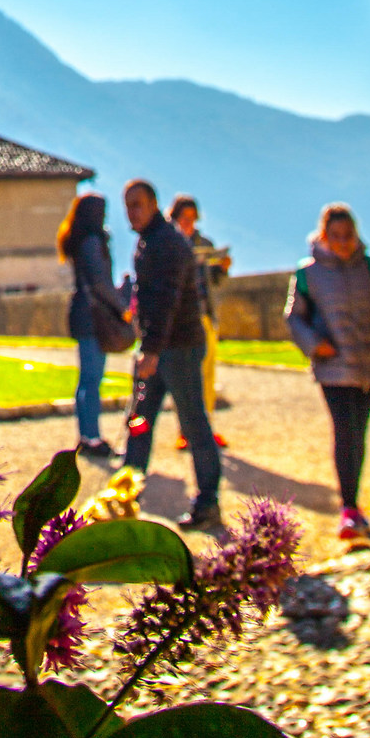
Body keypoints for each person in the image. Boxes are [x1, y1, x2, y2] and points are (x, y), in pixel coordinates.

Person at [286, 203, 370, 544]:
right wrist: (314, 344)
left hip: (369, 363)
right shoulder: (307, 274)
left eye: (347, 236)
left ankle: (354, 502)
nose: (342, 243)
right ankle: (350, 507)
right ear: (325, 236)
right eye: (335, 237)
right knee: (346, 430)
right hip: (333, 367)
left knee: (359, 431)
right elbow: (294, 317)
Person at [121, 177, 222, 530]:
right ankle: (124, 496)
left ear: (152, 205)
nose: (131, 212)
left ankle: (208, 502)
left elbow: (166, 301)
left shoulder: (167, 244)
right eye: (127, 206)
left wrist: (150, 350)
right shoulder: (150, 242)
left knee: (194, 424)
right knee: (138, 422)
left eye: (137, 204)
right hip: (160, 347)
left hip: (178, 349)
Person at [56, 190, 132, 461]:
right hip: (92, 317)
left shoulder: (78, 241)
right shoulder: (91, 242)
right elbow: (100, 283)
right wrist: (123, 307)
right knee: (92, 378)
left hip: (82, 313)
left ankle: (86, 434)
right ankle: (91, 436)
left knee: (86, 380)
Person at [168, 194, 231, 447]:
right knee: (184, 375)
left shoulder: (203, 242)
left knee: (207, 373)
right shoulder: (169, 243)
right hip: (181, 319)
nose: (190, 224)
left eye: (194, 219)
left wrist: (222, 268)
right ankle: (184, 430)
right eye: (185, 219)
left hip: (205, 313)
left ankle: (207, 426)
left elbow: (213, 281)